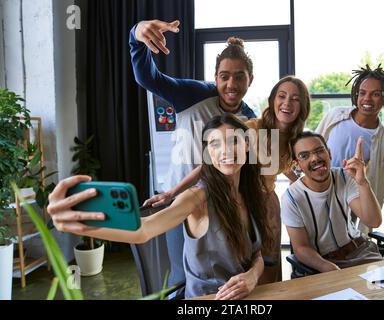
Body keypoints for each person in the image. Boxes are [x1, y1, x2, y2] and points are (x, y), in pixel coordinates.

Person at [47, 113, 273, 299]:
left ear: (246, 145)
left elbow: (257, 255)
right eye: (215, 143)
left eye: (233, 140)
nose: (225, 151)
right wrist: (82, 223)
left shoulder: (250, 193)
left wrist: (252, 276)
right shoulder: (197, 197)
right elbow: (145, 229)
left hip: (248, 298)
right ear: (207, 152)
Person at [146, 76, 311, 283]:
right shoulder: (252, 128)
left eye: (295, 99)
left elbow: (279, 166)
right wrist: (173, 192)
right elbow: (207, 164)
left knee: (270, 267)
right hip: (246, 200)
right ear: (273, 100)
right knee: (243, 263)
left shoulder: (294, 140)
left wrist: (303, 183)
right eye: (282, 96)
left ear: (302, 106)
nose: (287, 103)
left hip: (269, 205)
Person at [130, 19, 257, 287]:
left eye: (239, 76)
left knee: (224, 277)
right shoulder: (192, 94)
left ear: (251, 79)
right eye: (224, 76)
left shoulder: (249, 119)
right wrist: (136, 37)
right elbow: (148, 78)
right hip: (181, 200)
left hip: (222, 207)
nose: (231, 84)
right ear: (215, 77)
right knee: (179, 277)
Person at [281, 131, 383, 272]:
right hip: (324, 262)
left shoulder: (344, 177)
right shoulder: (291, 198)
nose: (315, 158)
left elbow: (373, 221)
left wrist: (363, 182)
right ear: (296, 165)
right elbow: (301, 248)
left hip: (360, 251)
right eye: (305, 156)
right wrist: (328, 268)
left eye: (319, 150)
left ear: (329, 153)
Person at [315, 64, 384, 233]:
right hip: (318, 193)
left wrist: (365, 231)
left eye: (376, 94)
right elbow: (313, 145)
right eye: (363, 92)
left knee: (342, 247)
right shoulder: (336, 115)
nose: (367, 99)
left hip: (350, 203)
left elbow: (379, 188)